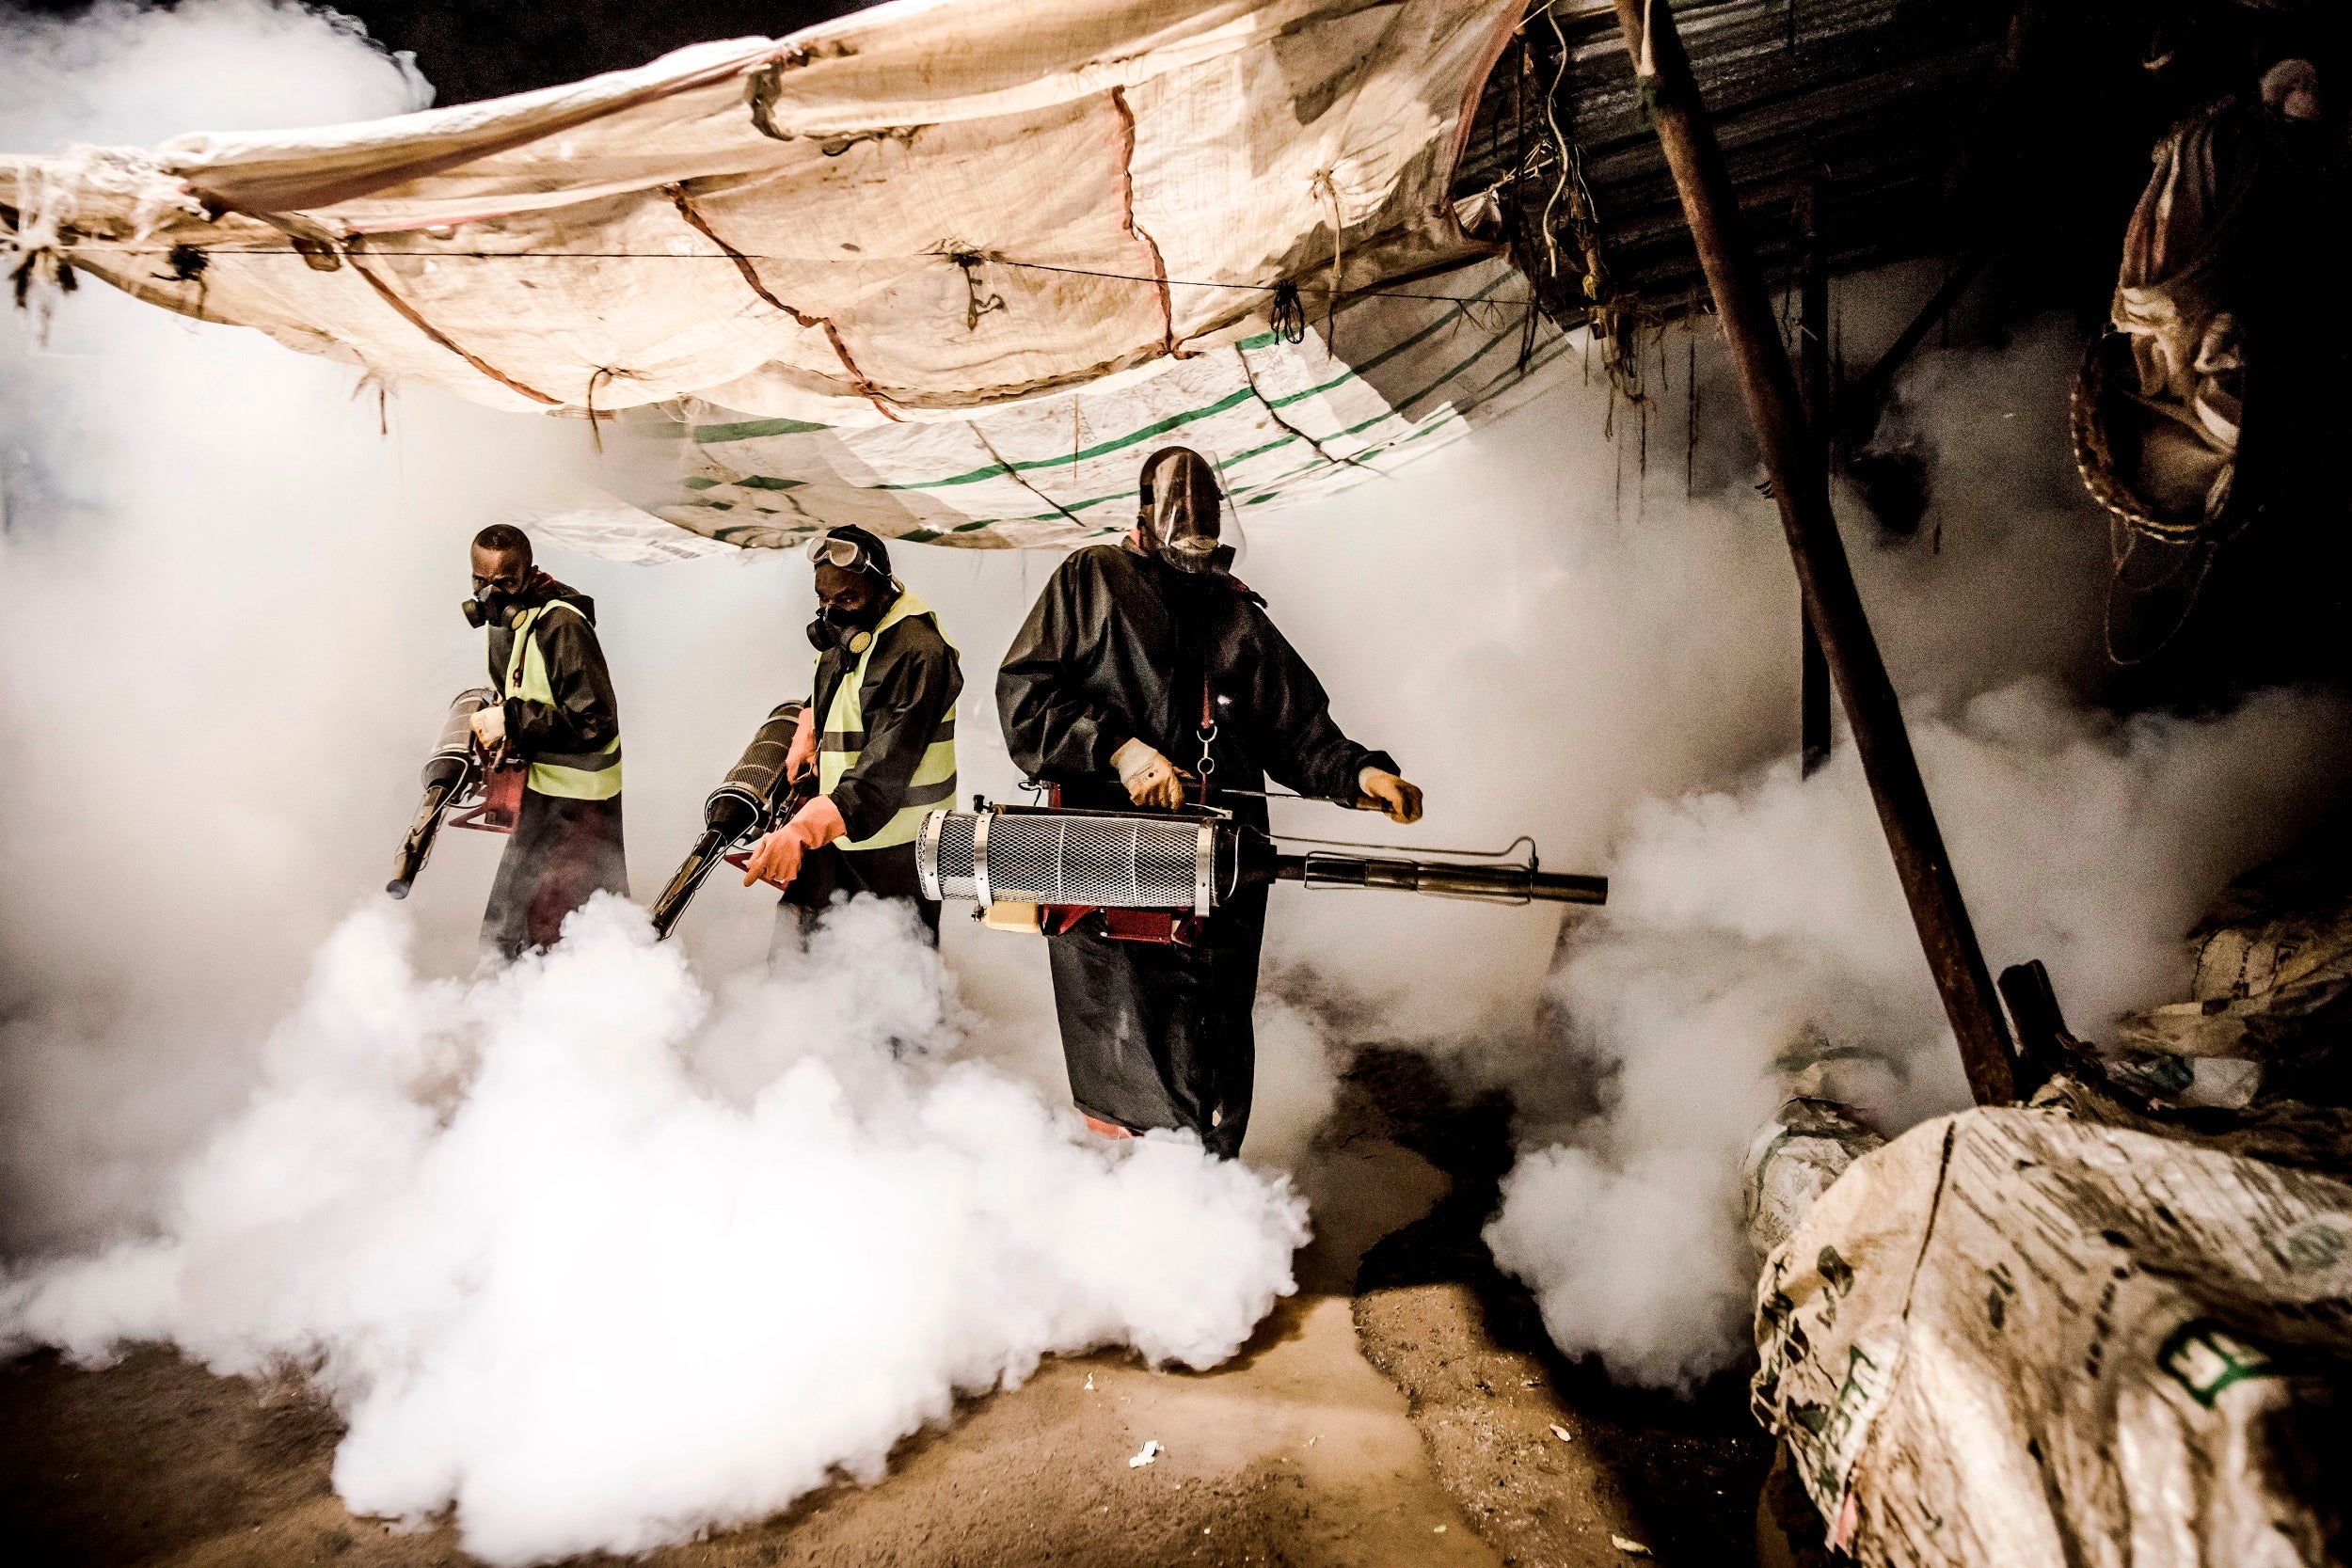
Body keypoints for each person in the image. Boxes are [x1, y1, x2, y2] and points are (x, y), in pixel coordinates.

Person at [996, 446, 1422, 1158]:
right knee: (1127, 1034)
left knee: (1214, 1035)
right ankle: (1133, 1191)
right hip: (1106, 860)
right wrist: (1120, 750)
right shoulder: (1090, 579)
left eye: (1206, 527)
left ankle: (1207, 1196)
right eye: (1178, 527)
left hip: (1217, 866)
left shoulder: (1233, 611)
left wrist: (1361, 776)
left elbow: (1296, 730)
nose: (1193, 543)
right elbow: (1025, 699)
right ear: (1142, 515)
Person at [743, 525, 961, 948]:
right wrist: (809, 722)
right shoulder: (856, 635)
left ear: (883, 587)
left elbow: (882, 775)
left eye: (846, 599)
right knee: (799, 943)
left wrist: (800, 832)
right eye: (823, 600)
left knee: (891, 975)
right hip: (841, 829)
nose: (831, 614)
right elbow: (848, 689)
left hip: (899, 848)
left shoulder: (918, 652)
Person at [465, 523, 628, 958]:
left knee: (565, 928)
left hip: (580, 803)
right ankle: (512, 1002)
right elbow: (520, 690)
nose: (489, 595)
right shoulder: (506, 624)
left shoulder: (561, 627)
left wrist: (513, 721)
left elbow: (596, 721)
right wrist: (502, 725)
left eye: (504, 583)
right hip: (539, 790)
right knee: (517, 914)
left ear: (529, 574)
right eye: (480, 582)